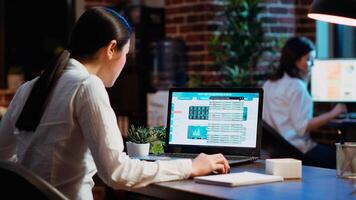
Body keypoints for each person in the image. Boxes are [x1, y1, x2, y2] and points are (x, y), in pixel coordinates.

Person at [0, 7, 229, 200]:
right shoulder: (87, 86)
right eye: (125, 54)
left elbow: (3, 157)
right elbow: (118, 174)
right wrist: (191, 166)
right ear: (111, 49)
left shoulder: (28, 88)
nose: (124, 63)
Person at [263, 36, 347, 169]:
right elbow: (302, 127)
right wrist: (334, 112)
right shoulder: (296, 86)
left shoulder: (269, 84)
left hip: (277, 151)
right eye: (308, 60)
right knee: (344, 159)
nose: (312, 65)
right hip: (298, 150)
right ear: (295, 60)